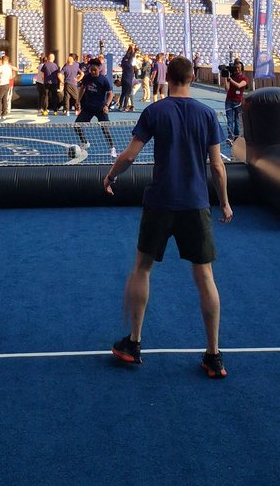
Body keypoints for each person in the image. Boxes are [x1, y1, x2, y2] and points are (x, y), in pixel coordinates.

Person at [105, 56, 233, 377]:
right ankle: (213, 354)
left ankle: (134, 343)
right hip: (196, 203)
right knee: (205, 276)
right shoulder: (207, 114)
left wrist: (110, 176)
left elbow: (130, 155)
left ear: (167, 77)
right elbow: (217, 166)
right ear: (191, 77)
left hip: (161, 201)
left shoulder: (155, 112)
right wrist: (226, 203)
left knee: (142, 268)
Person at [75, 57, 117, 158]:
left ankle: (112, 148)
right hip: (88, 108)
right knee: (76, 126)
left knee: (105, 129)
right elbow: (83, 89)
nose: (93, 72)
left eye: (95, 70)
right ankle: (84, 142)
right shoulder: (87, 77)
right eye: (91, 70)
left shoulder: (104, 80)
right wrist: (77, 100)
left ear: (99, 69)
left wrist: (107, 106)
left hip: (101, 108)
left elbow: (111, 94)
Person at [225, 59, 248, 143]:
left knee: (237, 120)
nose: (237, 69)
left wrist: (230, 80)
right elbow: (227, 89)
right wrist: (226, 78)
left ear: (241, 68)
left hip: (238, 102)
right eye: (236, 68)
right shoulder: (232, 76)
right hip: (229, 100)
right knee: (229, 120)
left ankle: (237, 137)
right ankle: (230, 136)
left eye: (239, 68)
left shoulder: (244, 78)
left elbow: (239, 85)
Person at [0, 54, 13, 118]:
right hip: (7, 84)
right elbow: (10, 77)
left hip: (2, 84)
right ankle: (4, 113)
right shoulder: (9, 68)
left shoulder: (1, 67)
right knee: (4, 98)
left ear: (2, 60)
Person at [119, 45, 137, 112]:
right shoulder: (130, 62)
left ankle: (120, 106)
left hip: (123, 78)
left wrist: (131, 49)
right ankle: (124, 107)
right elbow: (132, 55)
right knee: (127, 94)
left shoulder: (124, 60)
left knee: (123, 93)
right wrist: (135, 50)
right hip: (129, 79)